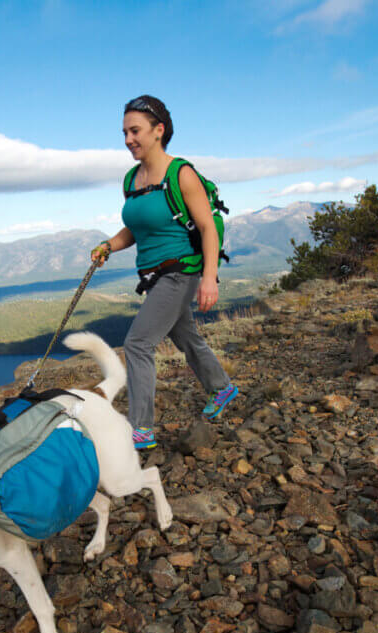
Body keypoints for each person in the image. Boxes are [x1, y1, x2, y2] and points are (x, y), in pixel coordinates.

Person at [91, 95, 237, 449]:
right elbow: (136, 228)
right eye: (124, 132)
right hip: (155, 277)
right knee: (185, 336)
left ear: (159, 131)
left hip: (181, 272)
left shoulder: (180, 173)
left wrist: (208, 278)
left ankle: (140, 429)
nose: (128, 139)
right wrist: (108, 245)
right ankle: (222, 388)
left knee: (138, 343)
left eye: (135, 130)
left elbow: (207, 228)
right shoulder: (132, 179)